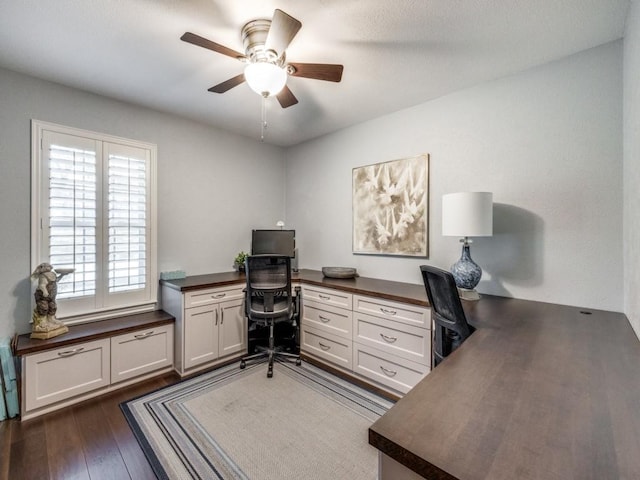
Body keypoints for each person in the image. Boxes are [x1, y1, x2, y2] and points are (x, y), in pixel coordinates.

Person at [30, 263, 72, 338]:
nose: (50, 267)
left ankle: (51, 318)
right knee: (43, 307)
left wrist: (62, 275)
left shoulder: (52, 274)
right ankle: (42, 320)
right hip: (43, 296)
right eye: (48, 266)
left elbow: (57, 280)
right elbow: (42, 285)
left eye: (50, 266)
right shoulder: (43, 276)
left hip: (52, 296)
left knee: (53, 306)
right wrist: (45, 291)